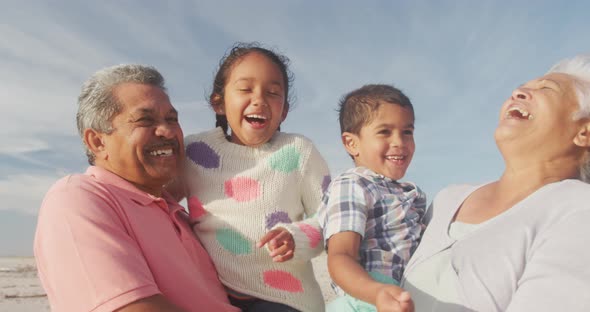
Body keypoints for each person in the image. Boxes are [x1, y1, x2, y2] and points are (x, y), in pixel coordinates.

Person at [377, 54, 590, 312]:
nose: (518, 92)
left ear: (584, 133)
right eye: (523, 86)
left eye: (546, 88)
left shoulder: (578, 209)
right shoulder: (447, 199)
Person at [34, 64, 239, 312]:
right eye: (145, 120)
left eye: (172, 119)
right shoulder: (77, 198)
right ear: (98, 142)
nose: (167, 130)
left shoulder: (180, 214)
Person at [180, 42, 331, 312]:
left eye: (273, 92)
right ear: (219, 103)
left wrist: (296, 237)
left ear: (284, 110)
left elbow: (332, 219)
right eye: (245, 88)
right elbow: (154, 199)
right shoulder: (194, 152)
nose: (260, 98)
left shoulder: (297, 151)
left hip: (283, 300)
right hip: (210, 295)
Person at [316, 84, 428, 312]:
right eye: (384, 132)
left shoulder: (409, 193)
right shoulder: (354, 184)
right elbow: (341, 255)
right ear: (351, 143)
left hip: (404, 300)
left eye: (407, 132)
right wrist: (376, 292)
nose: (399, 141)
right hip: (365, 301)